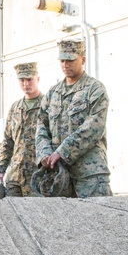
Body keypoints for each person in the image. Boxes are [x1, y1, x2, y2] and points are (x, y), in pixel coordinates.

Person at [36, 38, 111, 197]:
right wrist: (45, 152)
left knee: (97, 218)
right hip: (59, 175)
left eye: (70, 60)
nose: (65, 65)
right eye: (62, 60)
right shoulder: (53, 93)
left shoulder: (94, 89)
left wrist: (62, 151)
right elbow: (41, 126)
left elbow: (94, 127)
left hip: (89, 174)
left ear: (83, 59)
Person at [0, 63, 43, 197]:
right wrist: (1, 169)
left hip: (38, 177)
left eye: (29, 79)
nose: (26, 84)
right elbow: (8, 141)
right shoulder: (15, 108)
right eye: (22, 80)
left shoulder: (47, 105)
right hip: (14, 177)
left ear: (38, 79)